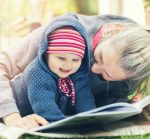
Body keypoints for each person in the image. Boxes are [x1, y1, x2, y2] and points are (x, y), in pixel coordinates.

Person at [1, 13, 150, 129]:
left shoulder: (134, 65)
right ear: (114, 31)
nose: (93, 69)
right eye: (99, 57)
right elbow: (2, 65)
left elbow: (99, 103)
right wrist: (13, 117)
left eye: (106, 76)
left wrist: (128, 106)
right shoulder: (62, 32)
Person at [10, 25, 96, 123]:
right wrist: (63, 124)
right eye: (61, 58)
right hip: (19, 107)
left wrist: (91, 119)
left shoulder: (79, 74)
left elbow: (85, 100)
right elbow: (45, 108)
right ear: (46, 54)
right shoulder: (37, 73)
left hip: (58, 113)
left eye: (76, 60)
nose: (68, 64)